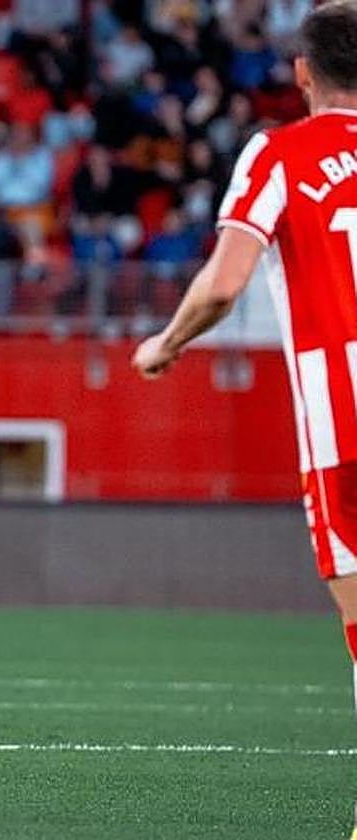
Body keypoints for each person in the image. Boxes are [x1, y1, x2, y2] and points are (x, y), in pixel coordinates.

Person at [132, 8, 357, 834]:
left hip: (344, 423)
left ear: (302, 72)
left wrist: (166, 342)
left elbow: (225, 283)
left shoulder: (281, 152)